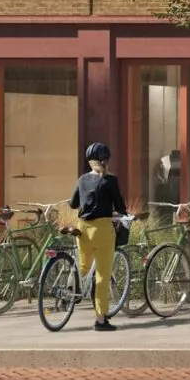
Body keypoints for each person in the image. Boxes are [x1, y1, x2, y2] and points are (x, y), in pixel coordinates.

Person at [69, 141, 127, 333]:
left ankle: (71, 287)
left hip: (82, 229)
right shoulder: (110, 181)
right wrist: (122, 214)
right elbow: (120, 207)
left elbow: (73, 203)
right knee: (101, 276)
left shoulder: (82, 179)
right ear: (104, 161)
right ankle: (101, 320)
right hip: (102, 231)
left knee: (83, 267)